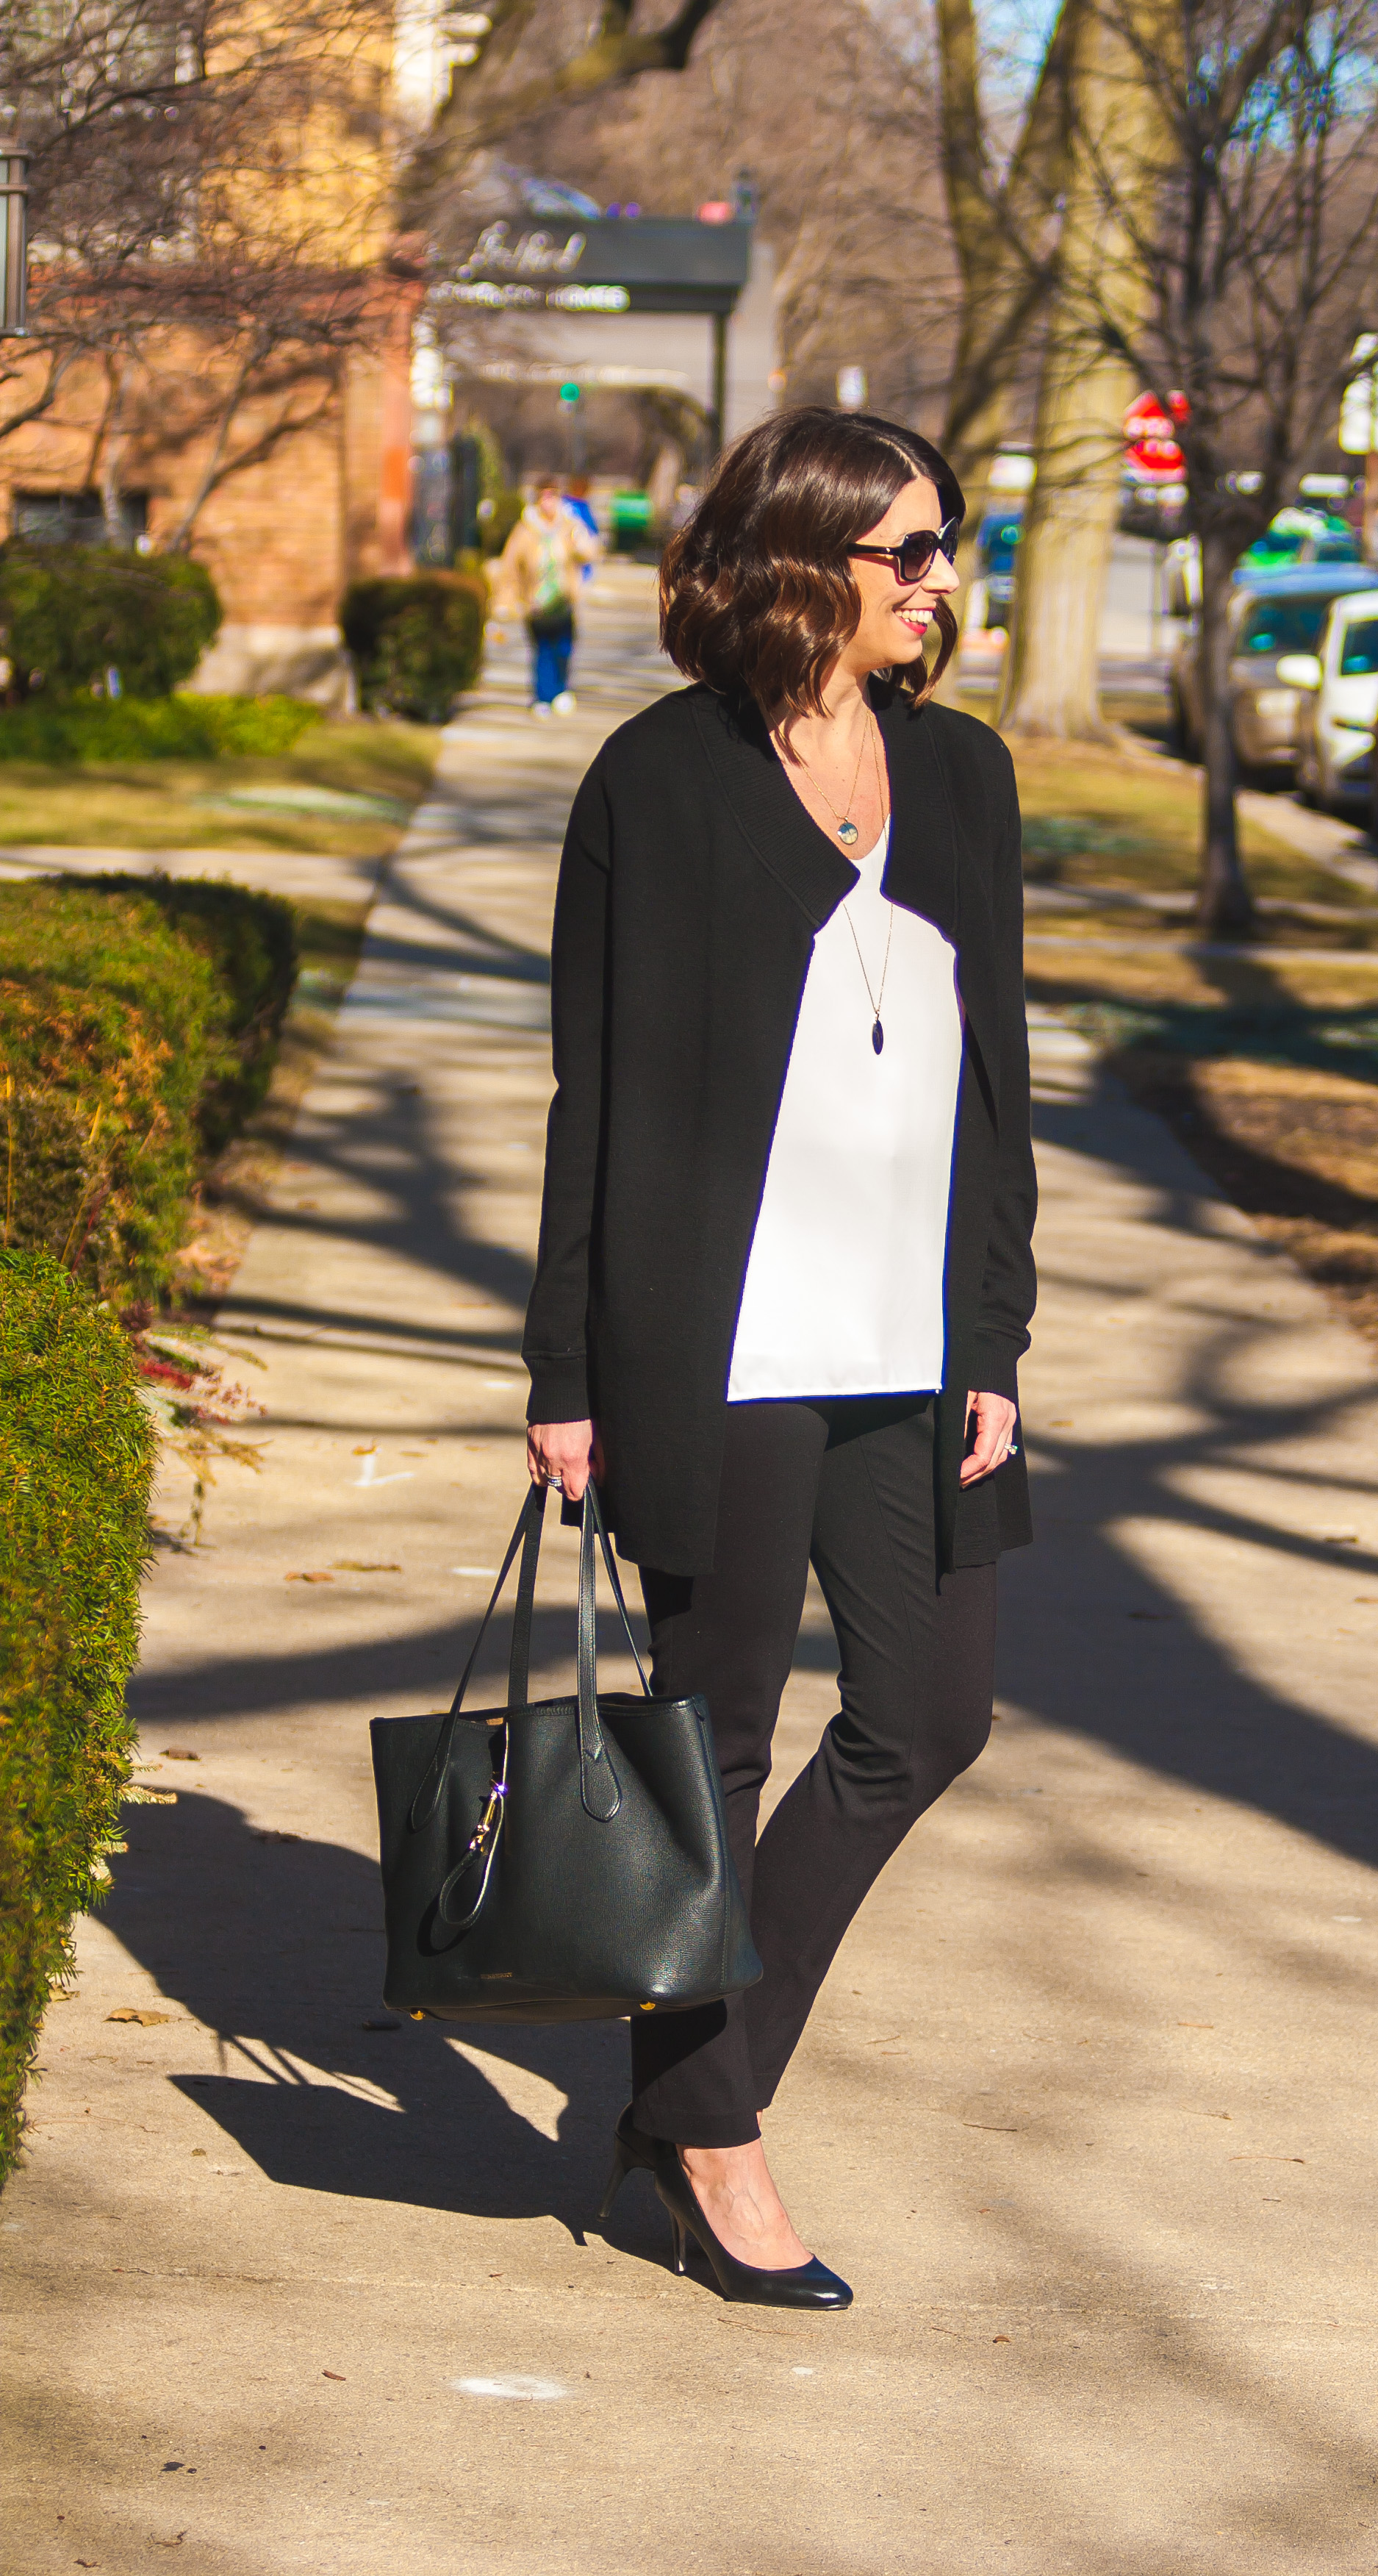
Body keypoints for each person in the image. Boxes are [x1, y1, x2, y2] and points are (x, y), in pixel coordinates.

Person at [523, 406, 1037, 2311]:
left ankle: (689, 2092)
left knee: (930, 1714)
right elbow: (594, 1094)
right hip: (718, 1343)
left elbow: (998, 1078)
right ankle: (714, 2139)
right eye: (909, 548)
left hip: (910, 1346)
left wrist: (997, 1331)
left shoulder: (962, 774)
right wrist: (564, 1367)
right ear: (806, 562)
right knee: (713, 1743)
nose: (938, 580)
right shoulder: (657, 783)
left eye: (945, 544)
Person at [492, 475, 599, 716]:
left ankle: (561, 691)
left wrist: (579, 544)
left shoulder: (570, 525)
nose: (548, 502)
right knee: (542, 651)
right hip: (536, 602)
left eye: (552, 496)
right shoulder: (525, 529)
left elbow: (590, 553)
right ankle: (543, 697)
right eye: (544, 496)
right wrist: (505, 601)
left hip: (563, 599)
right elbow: (510, 567)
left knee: (564, 649)